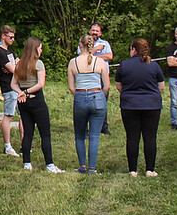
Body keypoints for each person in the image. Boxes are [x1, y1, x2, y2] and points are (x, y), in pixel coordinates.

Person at [14, 37, 64, 173]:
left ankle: (27, 163)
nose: (41, 50)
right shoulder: (38, 64)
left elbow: (13, 84)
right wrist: (26, 92)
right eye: (40, 48)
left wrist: (21, 93)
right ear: (35, 49)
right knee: (45, 133)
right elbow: (40, 84)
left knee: (28, 132)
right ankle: (50, 164)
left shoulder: (19, 64)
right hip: (36, 100)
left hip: (23, 102)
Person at [115, 38, 164, 176]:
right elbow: (161, 86)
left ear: (134, 49)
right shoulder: (153, 65)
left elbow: (119, 86)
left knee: (132, 137)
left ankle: (132, 170)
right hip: (152, 105)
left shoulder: (124, 65)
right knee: (150, 137)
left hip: (130, 105)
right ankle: (150, 169)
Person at [68, 34, 111, 173]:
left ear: (81, 45)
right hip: (97, 96)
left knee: (80, 135)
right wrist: (100, 97)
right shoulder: (99, 62)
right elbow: (107, 86)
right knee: (95, 135)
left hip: (80, 96)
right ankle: (92, 167)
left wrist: (80, 95)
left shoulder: (73, 62)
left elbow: (71, 86)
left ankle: (82, 166)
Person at [77, 23, 114, 134]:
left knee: (102, 102)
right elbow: (80, 57)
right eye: (93, 30)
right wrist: (96, 50)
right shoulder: (83, 43)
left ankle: (104, 127)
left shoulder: (105, 43)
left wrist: (92, 56)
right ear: (89, 31)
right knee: (87, 103)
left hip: (102, 76)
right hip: (88, 76)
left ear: (100, 33)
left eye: (97, 31)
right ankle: (87, 129)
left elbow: (109, 56)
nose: (95, 33)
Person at [0, 25, 23, 156]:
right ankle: (7, 146)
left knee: (24, 115)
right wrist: (16, 67)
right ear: (3, 36)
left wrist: (16, 66)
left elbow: (17, 66)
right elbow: (14, 69)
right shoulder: (0, 52)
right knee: (9, 115)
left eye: (14, 37)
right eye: (10, 37)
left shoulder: (10, 51)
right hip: (9, 87)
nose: (13, 40)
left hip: (18, 87)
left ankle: (24, 144)